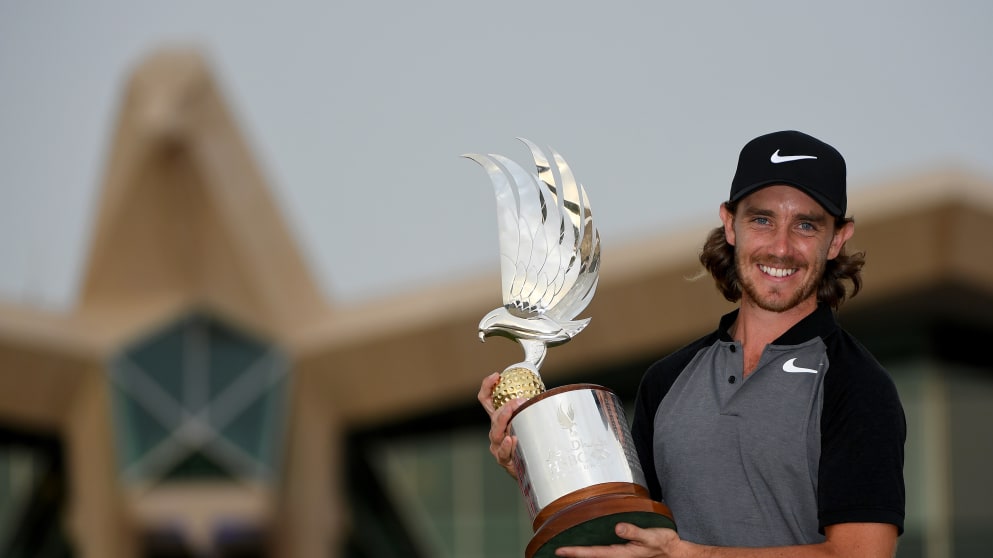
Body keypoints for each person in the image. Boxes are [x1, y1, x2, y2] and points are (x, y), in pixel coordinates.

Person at [477, 130, 906, 557]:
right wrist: (533, 457)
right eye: (761, 219)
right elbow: (628, 531)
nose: (781, 246)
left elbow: (860, 554)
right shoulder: (667, 380)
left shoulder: (857, 386)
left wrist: (692, 555)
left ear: (838, 239)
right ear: (729, 223)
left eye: (806, 225)